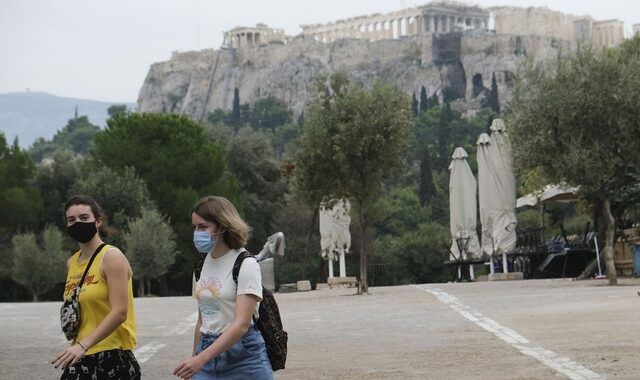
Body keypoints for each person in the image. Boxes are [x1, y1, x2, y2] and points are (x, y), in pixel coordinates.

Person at [174, 195, 272, 379]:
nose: (197, 232)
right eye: (194, 227)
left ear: (223, 227)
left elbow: (241, 325)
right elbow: (203, 320)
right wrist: (195, 358)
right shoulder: (201, 264)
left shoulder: (246, 263)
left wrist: (200, 359)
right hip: (206, 351)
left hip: (243, 356)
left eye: (203, 227)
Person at [52, 195, 140, 379]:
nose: (77, 223)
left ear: (98, 221)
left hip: (112, 356)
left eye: (84, 218)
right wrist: (79, 347)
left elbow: (120, 312)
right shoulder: (72, 263)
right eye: (71, 220)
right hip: (79, 355)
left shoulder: (111, 257)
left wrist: (83, 345)